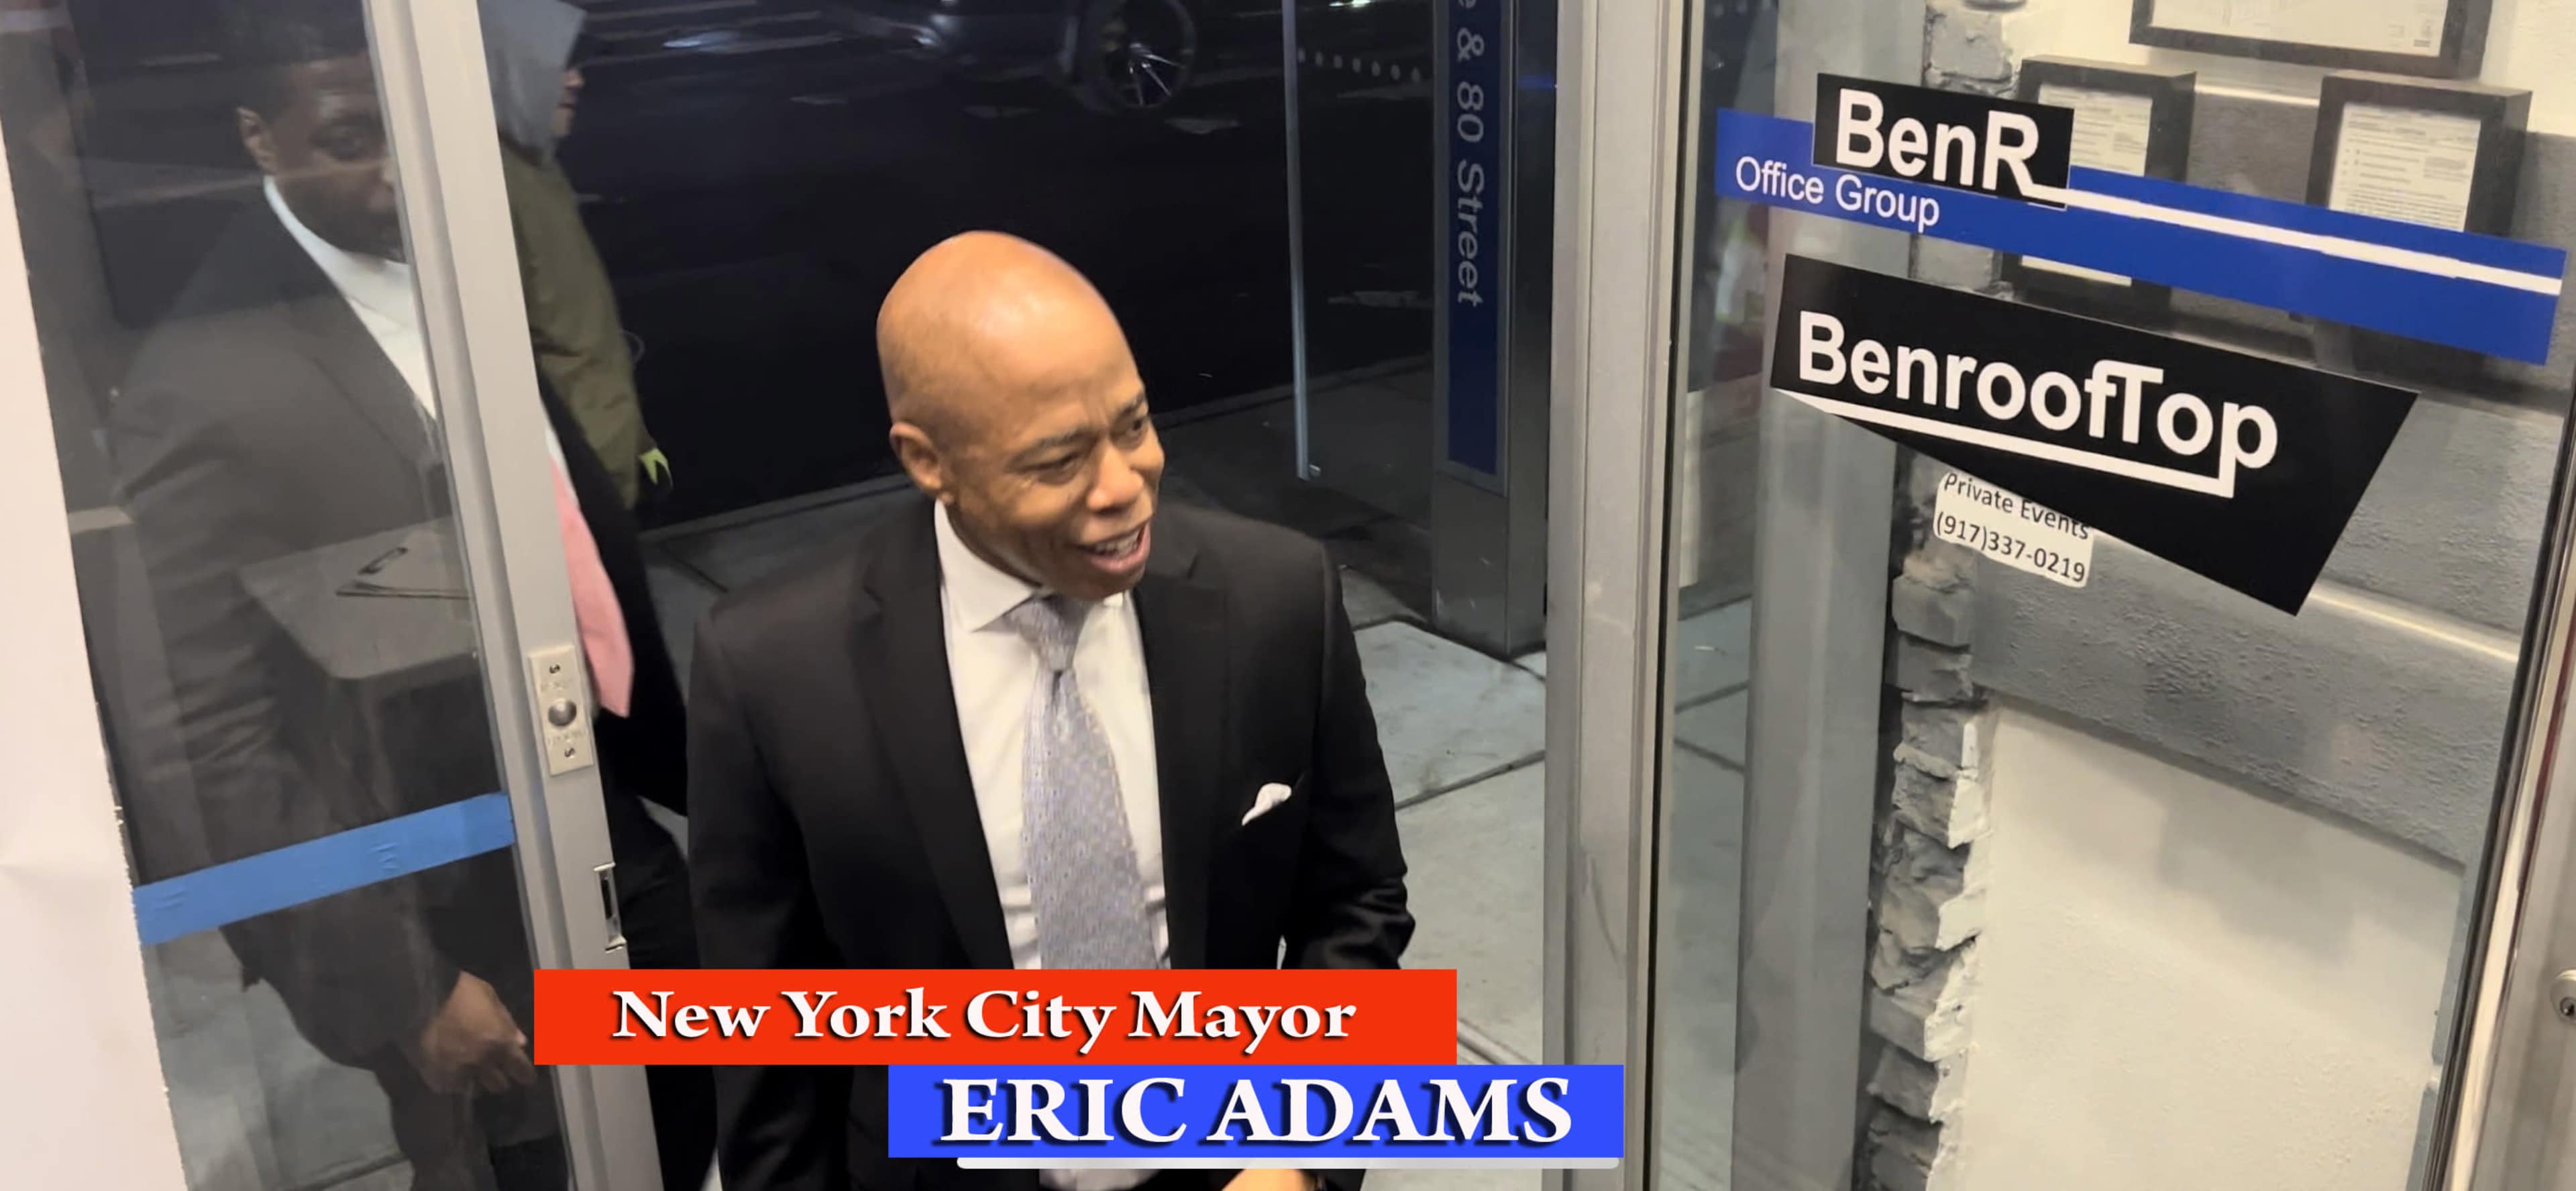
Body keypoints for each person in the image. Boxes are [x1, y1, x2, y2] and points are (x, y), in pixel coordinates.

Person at [107, 2, 704, 1186]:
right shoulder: (208, 379)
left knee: (686, 1123)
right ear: (260, 137)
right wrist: (399, 989)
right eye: (348, 137)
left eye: (420, 136)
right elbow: (201, 736)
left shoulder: (458, 256)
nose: (396, 173)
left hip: (601, 812)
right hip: (445, 893)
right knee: (531, 1162)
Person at [686, 231, 1415, 1191]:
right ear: (928, 460)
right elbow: (766, 1044)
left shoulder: (1277, 597)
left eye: (1135, 424)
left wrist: (1299, 1159)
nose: (1121, 486)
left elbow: (1356, 906)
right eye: (1056, 460)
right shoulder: (772, 670)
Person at [482, 0, 667, 510]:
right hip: (568, 491)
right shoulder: (486, 185)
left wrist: (640, 445)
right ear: (506, 65)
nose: (576, 82)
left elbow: (581, 340)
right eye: (558, 64)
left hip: (606, 467)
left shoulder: (535, 166)